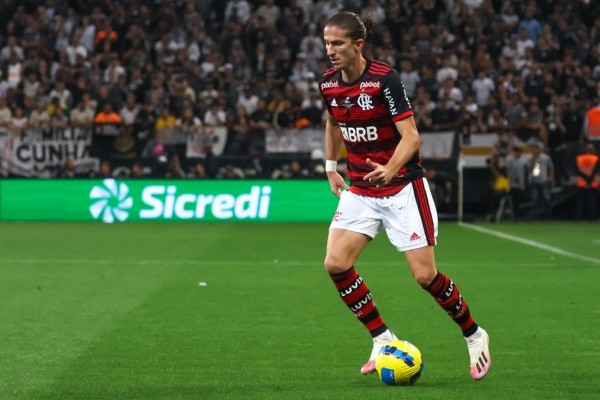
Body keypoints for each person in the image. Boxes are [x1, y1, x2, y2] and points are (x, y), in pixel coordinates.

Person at [318, 11, 491, 381]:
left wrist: (391, 168)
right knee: (335, 263)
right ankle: (382, 338)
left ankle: (474, 334)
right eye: (326, 43)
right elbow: (333, 122)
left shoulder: (384, 79)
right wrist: (331, 166)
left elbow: (411, 137)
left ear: (358, 45)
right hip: (362, 189)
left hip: (402, 187)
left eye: (337, 43)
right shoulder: (328, 83)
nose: (330, 50)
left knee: (425, 276)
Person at [574, 143, 599, 221]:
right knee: (592, 202)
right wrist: (589, 180)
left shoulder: (579, 158)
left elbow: (577, 171)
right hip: (593, 183)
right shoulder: (596, 158)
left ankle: (578, 218)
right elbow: (595, 171)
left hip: (581, 183)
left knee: (580, 202)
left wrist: (585, 179)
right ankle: (591, 218)